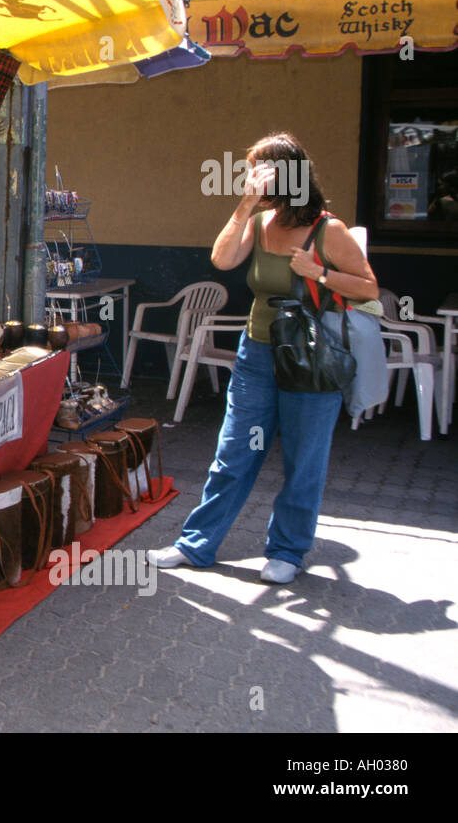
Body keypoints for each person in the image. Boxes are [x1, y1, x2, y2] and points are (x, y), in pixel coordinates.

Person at [150, 133, 379, 584]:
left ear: (289, 174)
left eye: (259, 169)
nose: (251, 176)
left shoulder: (327, 230)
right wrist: (243, 206)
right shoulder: (259, 222)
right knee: (235, 451)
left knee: (303, 458)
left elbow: (368, 288)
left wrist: (320, 273)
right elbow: (222, 260)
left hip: (309, 361)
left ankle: (288, 552)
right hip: (257, 354)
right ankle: (196, 545)